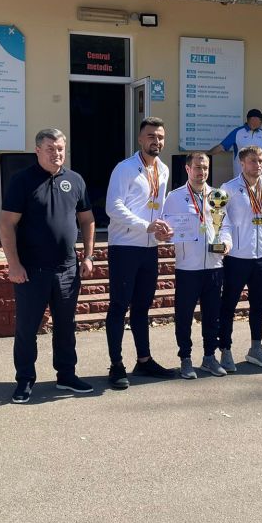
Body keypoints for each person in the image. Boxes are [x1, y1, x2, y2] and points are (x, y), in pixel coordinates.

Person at [0, 128, 95, 404]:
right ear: (38, 151)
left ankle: (66, 375)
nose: (57, 154)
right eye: (50, 149)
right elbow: (6, 224)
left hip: (67, 270)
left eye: (60, 148)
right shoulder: (22, 181)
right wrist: (14, 264)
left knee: (65, 326)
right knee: (27, 328)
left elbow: (87, 220)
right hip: (31, 271)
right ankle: (25, 380)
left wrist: (88, 256)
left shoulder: (75, 180)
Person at [105, 117, 176, 388]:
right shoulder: (124, 168)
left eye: (160, 137)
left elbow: (159, 208)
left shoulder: (163, 170)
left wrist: (163, 228)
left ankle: (144, 361)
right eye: (150, 136)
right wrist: (145, 225)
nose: (156, 141)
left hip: (149, 248)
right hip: (125, 246)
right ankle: (116, 365)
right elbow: (113, 207)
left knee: (142, 307)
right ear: (139, 139)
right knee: (119, 306)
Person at [161, 152, 231, 379]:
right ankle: (185, 358)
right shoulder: (174, 197)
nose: (202, 172)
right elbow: (166, 228)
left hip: (214, 266)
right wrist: (167, 234)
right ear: (188, 169)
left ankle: (209, 357)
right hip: (187, 268)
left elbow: (225, 226)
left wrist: (227, 243)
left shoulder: (217, 195)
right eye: (198, 167)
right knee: (184, 316)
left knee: (212, 316)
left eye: (206, 168)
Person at [218, 146, 262, 370]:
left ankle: (256, 347)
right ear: (241, 163)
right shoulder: (228, 188)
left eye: (260, 160)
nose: (258, 164)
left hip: (261, 255)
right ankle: (225, 349)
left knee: (259, 304)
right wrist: (225, 243)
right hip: (236, 256)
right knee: (229, 304)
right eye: (253, 161)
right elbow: (220, 220)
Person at [210, 109, 262, 179]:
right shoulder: (238, 132)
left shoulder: (261, 133)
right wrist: (206, 155)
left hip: (258, 177)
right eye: (261, 119)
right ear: (253, 119)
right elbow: (221, 147)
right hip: (240, 177)